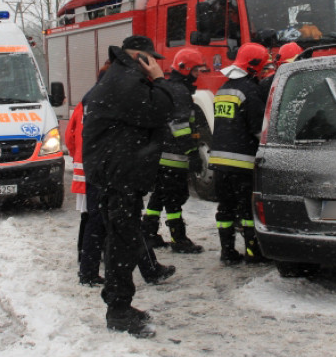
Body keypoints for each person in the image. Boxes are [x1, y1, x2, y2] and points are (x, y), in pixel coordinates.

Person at [83, 35, 176, 337]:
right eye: (152, 61)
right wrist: (160, 80)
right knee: (121, 241)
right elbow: (161, 111)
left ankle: (119, 303)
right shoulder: (125, 79)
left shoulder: (121, 76)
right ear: (140, 56)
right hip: (119, 174)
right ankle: (119, 311)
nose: (154, 67)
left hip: (119, 172)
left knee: (121, 238)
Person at [142, 48, 209, 254]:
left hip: (160, 154)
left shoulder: (170, 87)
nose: (198, 74)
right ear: (186, 69)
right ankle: (179, 239)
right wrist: (191, 152)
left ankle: (149, 233)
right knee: (174, 198)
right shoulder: (180, 91)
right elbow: (179, 125)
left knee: (160, 196)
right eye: (196, 70)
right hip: (174, 156)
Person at [209, 42, 270, 265]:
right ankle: (253, 253)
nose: (264, 72)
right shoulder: (251, 91)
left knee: (225, 209)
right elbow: (258, 130)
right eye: (262, 67)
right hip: (242, 163)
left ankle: (227, 252)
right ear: (253, 66)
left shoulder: (224, 88)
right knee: (247, 210)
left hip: (219, 162)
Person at [64, 99, 104, 286]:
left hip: (82, 167)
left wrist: (76, 154)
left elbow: (69, 137)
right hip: (95, 170)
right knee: (95, 218)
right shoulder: (103, 104)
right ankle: (89, 261)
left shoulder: (83, 105)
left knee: (87, 215)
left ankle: (83, 254)